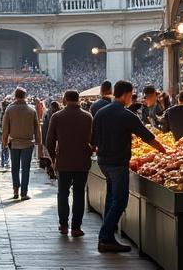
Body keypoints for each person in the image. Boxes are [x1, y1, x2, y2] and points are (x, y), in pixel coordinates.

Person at [91, 80, 167, 253]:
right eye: (131, 95)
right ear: (125, 95)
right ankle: (105, 238)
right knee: (120, 201)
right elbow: (147, 136)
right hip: (118, 163)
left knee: (111, 198)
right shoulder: (126, 115)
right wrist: (164, 150)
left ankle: (108, 237)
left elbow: (92, 140)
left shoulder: (100, 113)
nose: (131, 98)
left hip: (103, 161)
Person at [46, 90, 93, 236]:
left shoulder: (57, 116)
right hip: (82, 161)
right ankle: (77, 227)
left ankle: (64, 225)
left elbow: (49, 141)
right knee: (79, 194)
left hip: (64, 161)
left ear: (65, 100)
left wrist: (53, 158)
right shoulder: (88, 117)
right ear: (78, 100)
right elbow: (93, 140)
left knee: (63, 193)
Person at [0, 88, 38, 201]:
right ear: (25, 96)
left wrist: (4, 142)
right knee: (26, 168)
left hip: (14, 142)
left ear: (15, 96)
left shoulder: (10, 109)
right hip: (28, 142)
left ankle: (16, 190)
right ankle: (24, 192)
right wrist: (39, 141)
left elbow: (5, 128)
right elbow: (37, 128)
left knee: (14, 168)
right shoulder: (31, 110)